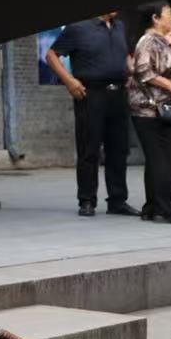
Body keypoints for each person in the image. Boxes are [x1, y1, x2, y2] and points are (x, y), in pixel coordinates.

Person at [46, 13, 139, 218]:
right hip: (90, 93)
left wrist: (128, 71)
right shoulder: (78, 27)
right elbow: (51, 55)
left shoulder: (119, 26)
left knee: (119, 149)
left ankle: (117, 200)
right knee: (89, 148)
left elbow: (124, 53)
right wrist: (69, 81)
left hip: (118, 93)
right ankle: (87, 200)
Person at [128, 1, 171, 224]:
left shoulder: (163, 40)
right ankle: (168, 208)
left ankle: (153, 207)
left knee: (161, 159)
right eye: (169, 14)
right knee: (165, 159)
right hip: (151, 110)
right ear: (155, 18)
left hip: (167, 110)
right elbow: (143, 71)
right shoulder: (147, 41)